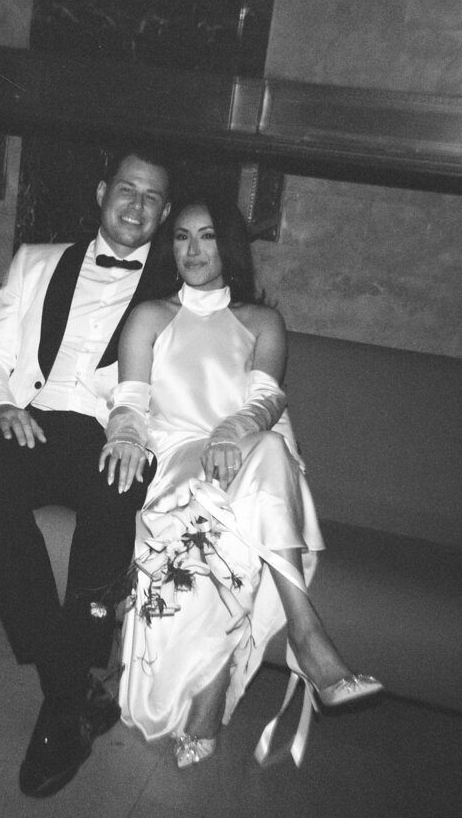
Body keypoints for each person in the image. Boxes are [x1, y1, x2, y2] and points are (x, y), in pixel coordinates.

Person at [99, 192, 381, 769]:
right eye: (181, 237)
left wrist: (231, 434)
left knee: (267, 452)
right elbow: (130, 400)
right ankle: (310, 638)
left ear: (228, 246)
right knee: (238, 498)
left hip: (247, 448)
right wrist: (125, 433)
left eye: (206, 236)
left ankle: (281, 651)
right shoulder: (153, 315)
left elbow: (265, 399)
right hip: (178, 456)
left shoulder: (261, 321)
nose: (193, 250)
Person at [0, 146, 172, 798]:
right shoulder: (36, 260)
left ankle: (61, 695)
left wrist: (136, 436)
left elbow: (179, 392)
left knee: (116, 494)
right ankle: (71, 688)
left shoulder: (174, 293)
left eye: (152, 197)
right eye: (127, 189)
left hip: (111, 435)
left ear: (162, 211)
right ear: (103, 192)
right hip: (32, 419)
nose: (137, 206)